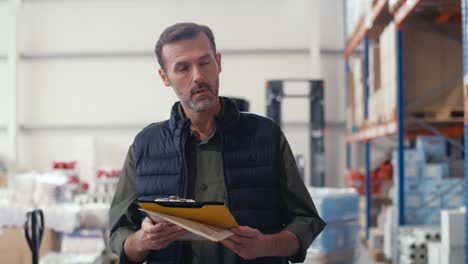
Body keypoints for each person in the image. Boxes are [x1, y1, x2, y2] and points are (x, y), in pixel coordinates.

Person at [110, 22, 326, 264]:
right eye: (182, 68)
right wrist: (142, 240)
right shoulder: (144, 146)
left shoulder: (266, 136)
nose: (198, 77)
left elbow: (307, 221)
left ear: (218, 62)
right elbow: (120, 233)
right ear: (165, 77)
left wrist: (267, 245)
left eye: (205, 62)